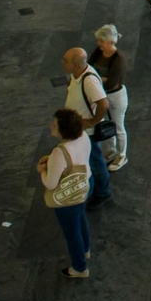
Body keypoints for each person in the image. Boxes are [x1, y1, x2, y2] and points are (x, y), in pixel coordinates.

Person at [38, 108, 94, 279]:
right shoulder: (83, 136)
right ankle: (86, 249)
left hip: (69, 195)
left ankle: (79, 268)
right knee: (80, 216)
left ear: (63, 130)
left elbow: (51, 183)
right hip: (86, 183)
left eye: (54, 125)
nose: (50, 126)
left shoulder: (59, 152)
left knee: (71, 232)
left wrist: (41, 170)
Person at [62, 48, 113, 209]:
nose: (62, 63)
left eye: (65, 60)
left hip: (87, 131)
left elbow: (103, 104)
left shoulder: (89, 81)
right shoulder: (76, 74)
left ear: (76, 64)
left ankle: (103, 193)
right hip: (78, 128)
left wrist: (92, 121)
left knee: (95, 160)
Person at [90, 25, 129, 169]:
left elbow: (112, 81)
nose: (98, 43)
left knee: (118, 125)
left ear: (110, 42)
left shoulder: (119, 59)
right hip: (101, 94)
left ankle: (122, 155)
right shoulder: (98, 52)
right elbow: (89, 67)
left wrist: (96, 80)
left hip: (116, 96)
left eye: (101, 41)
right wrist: (102, 78)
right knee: (105, 123)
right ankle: (111, 151)